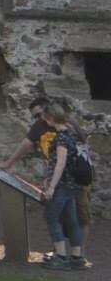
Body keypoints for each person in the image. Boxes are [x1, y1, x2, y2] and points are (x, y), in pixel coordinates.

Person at [38, 105, 90, 270]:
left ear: (51, 118)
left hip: (62, 184)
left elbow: (60, 164)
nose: (45, 121)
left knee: (51, 217)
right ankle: (76, 256)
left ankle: (60, 257)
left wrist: (51, 186)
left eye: (45, 118)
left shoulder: (61, 138)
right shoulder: (73, 133)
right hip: (73, 184)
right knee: (72, 220)